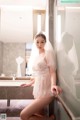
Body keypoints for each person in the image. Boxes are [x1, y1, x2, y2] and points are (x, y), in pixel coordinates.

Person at [20, 32, 62, 120]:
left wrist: (53, 85)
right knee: (38, 114)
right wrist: (30, 83)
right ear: (34, 43)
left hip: (47, 90)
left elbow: (52, 72)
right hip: (38, 88)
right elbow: (39, 74)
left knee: (23, 115)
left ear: (45, 42)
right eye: (37, 42)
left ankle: (50, 119)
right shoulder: (37, 56)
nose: (39, 44)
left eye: (42, 42)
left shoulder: (48, 53)